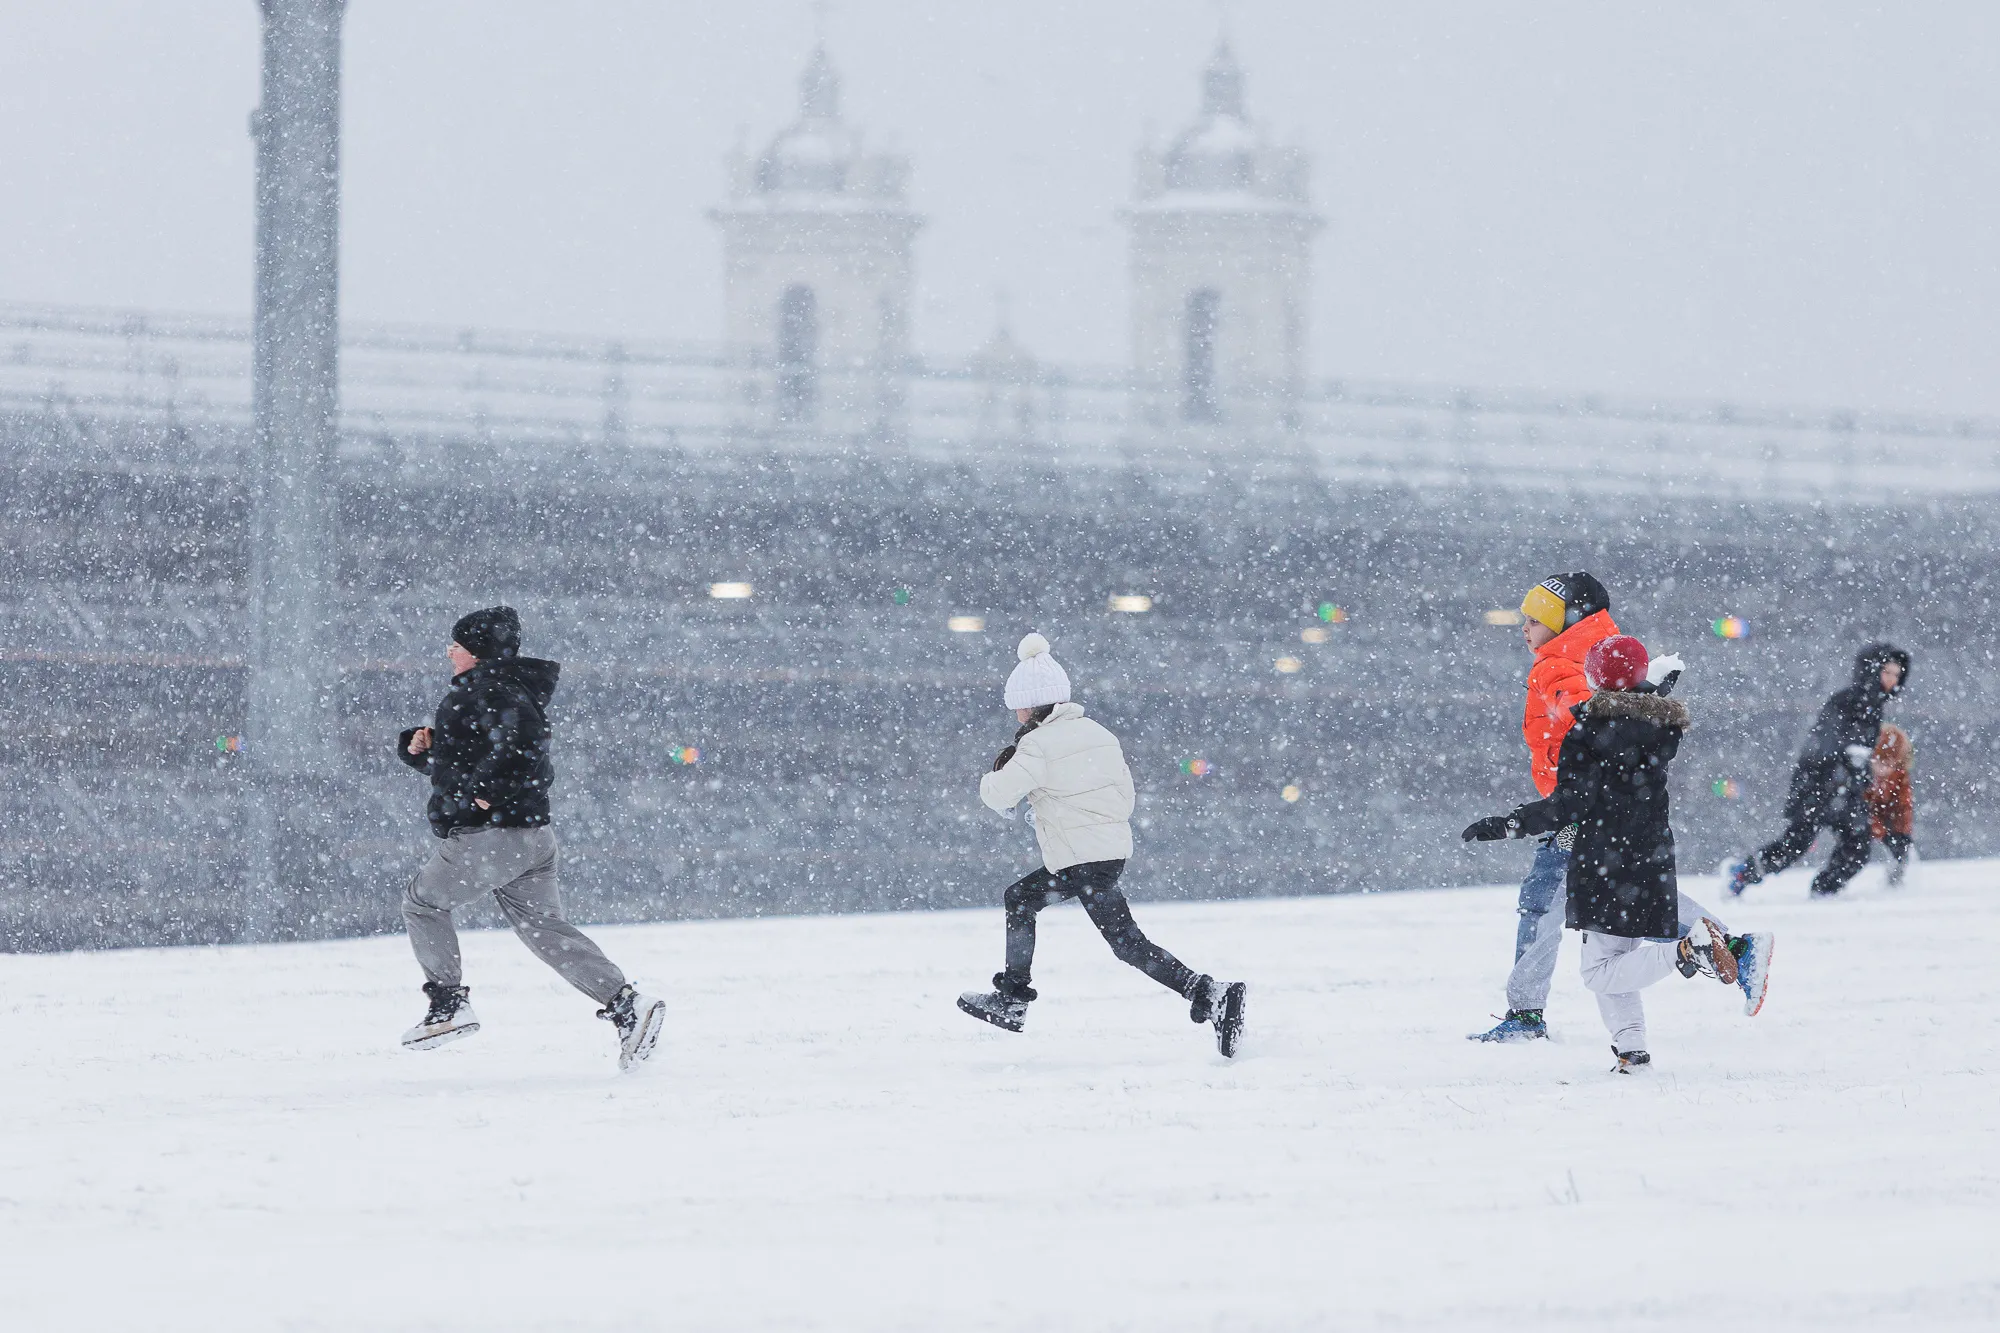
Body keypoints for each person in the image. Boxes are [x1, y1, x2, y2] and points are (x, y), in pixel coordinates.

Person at [1464, 635, 1775, 1072]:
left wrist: (1509, 823)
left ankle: (1690, 950)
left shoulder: (1589, 732)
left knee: (1600, 971)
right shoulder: (1659, 726)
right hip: (1650, 854)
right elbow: (1631, 722)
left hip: (1603, 859)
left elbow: (1570, 804)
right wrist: (1647, 690)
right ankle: (1632, 1051)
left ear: (1593, 678)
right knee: (1608, 958)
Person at [394, 606, 666, 1071]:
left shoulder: (487, 688)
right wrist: (423, 750)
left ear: (476, 651)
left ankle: (448, 1005)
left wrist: (489, 792)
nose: (449, 652)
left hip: (491, 838)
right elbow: (477, 762)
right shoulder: (504, 687)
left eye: (456, 645)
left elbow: (526, 745)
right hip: (530, 837)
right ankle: (626, 1006)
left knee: (423, 904)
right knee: (544, 930)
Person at [955, 633, 1248, 1057]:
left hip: (1080, 861)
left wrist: (998, 771)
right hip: (1106, 856)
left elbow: (997, 795)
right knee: (1025, 900)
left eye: (1017, 706)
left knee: (1122, 942)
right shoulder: (1099, 734)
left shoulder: (1035, 745)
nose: (1015, 714)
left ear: (1031, 704)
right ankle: (1014, 998)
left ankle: (1208, 992)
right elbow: (1123, 798)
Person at [1468, 572, 1722, 1042]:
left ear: (1568, 620)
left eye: (1536, 619)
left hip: (1574, 810)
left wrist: (1528, 816)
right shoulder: (1599, 652)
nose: (1525, 627)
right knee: (1634, 896)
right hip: (1598, 810)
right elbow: (1612, 720)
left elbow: (1583, 715)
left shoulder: (1557, 664)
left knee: (1546, 904)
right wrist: (1644, 698)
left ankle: (1526, 1014)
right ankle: (1726, 946)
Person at [1726, 643, 1911, 899]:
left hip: (1846, 789)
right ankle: (1743, 874)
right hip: (1819, 785)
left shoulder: (1873, 707)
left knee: (1857, 845)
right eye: (1887, 672)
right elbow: (1825, 742)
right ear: (1871, 671)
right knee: (1796, 844)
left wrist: (1860, 772)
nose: (1892, 680)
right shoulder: (1846, 700)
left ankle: (1824, 891)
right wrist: (1849, 759)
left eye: (1896, 674)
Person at [1867, 722, 1916, 886]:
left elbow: (1904, 807)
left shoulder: (1899, 777)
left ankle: (1895, 880)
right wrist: (1881, 832)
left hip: (1888, 817)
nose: (1882, 769)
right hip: (1868, 820)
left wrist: (1903, 832)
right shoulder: (1863, 777)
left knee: (1901, 850)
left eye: (1888, 764)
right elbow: (1864, 808)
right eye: (1878, 762)